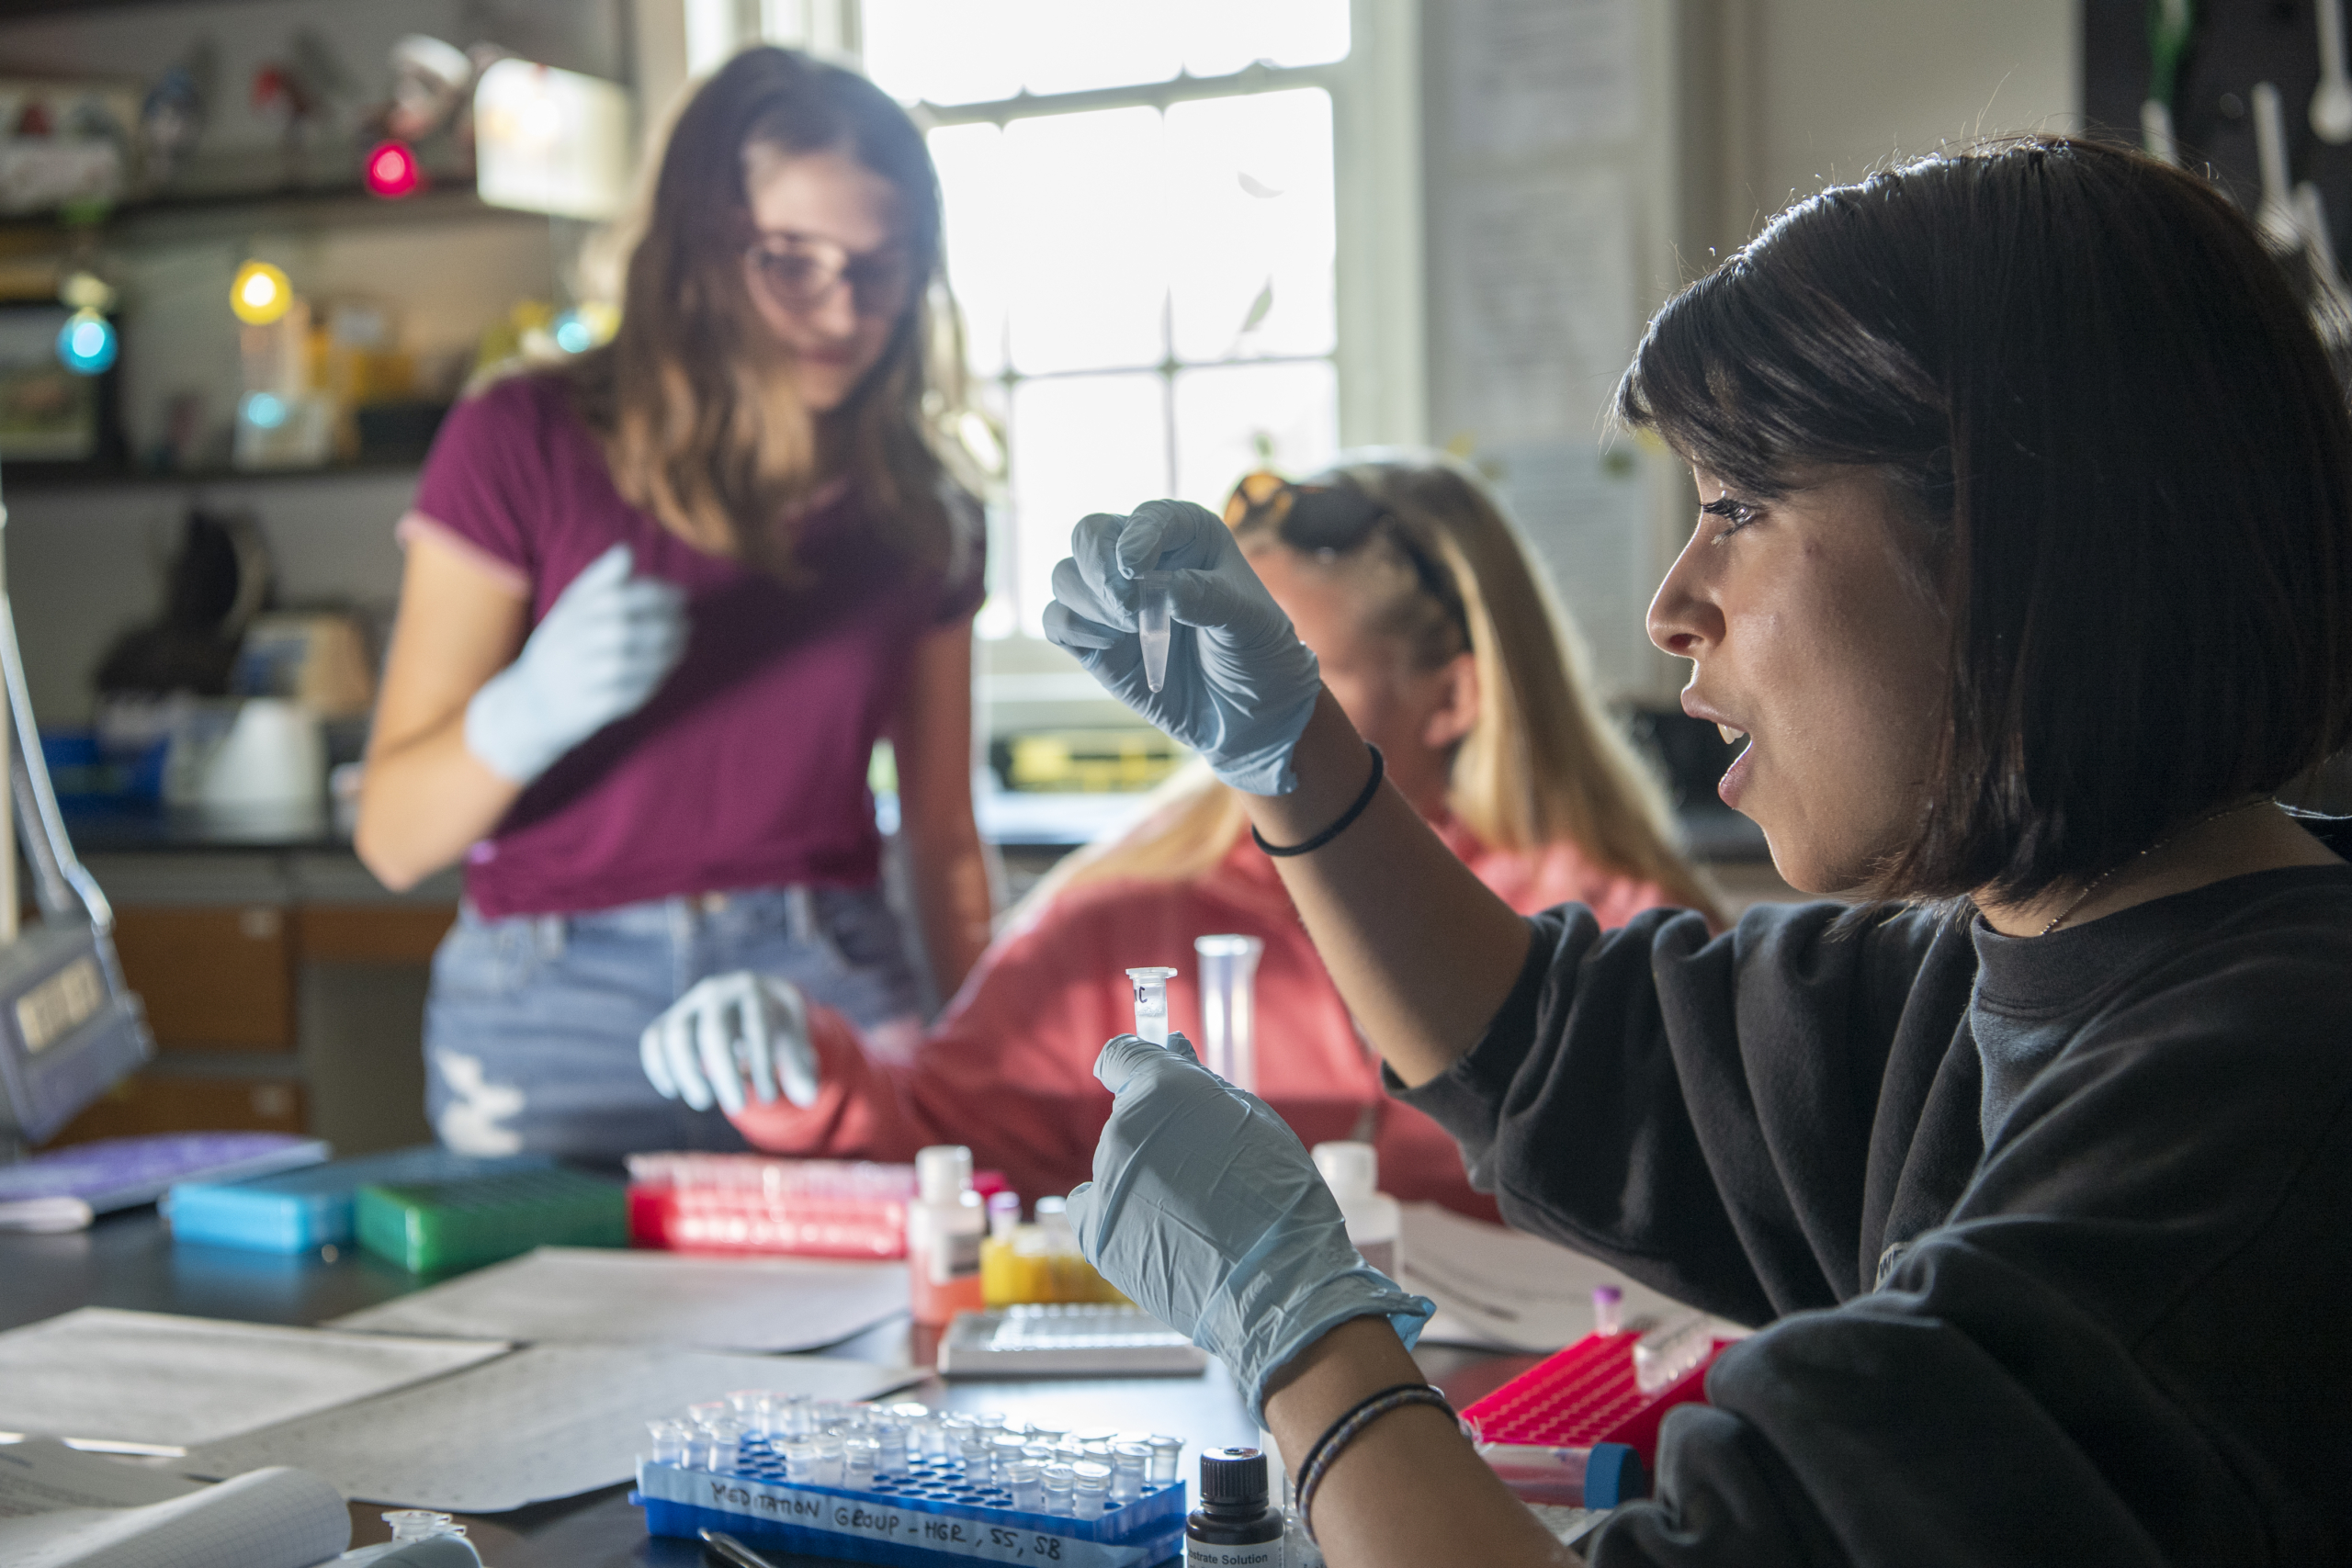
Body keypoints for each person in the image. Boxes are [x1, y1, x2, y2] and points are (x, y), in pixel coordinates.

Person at [1046, 138, 2352, 1564]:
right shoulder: (2023, 962)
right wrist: (1299, 764)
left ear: (2017, 531)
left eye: (1736, 506)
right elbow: (1555, 1051)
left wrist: (1303, 1336)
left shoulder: (2254, 1115)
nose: (1671, 603)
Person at [639, 456, 1720, 1217]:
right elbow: (942, 1146)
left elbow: (1724, 1212)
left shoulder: (1619, 933)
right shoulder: (1119, 920)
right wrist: (802, 1071)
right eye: (1224, 646)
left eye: (1297, 661)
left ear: (1453, 697)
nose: (1234, 687)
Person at [355, 48, 993, 1160]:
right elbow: (393, 839)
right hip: (549, 1002)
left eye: (880, 268)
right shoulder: (523, 441)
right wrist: (527, 709)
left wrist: (986, 1059)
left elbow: (941, 838)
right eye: (792, 262)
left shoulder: (919, 508)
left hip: (822, 979)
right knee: (550, 1332)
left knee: (872, 1331)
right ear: (699, 247)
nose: (843, 311)